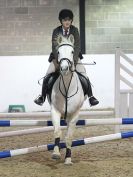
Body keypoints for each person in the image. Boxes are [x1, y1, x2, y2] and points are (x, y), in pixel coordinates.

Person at [34, 9, 99, 106]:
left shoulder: (75, 30)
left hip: (73, 58)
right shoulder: (56, 31)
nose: (67, 22)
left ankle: (91, 97)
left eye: (69, 20)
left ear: (71, 20)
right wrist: (60, 60)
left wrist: (74, 60)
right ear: (61, 21)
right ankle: (42, 97)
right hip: (58, 58)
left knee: (84, 74)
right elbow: (54, 47)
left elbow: (77, 46)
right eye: (65, 20)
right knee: (47, 75)